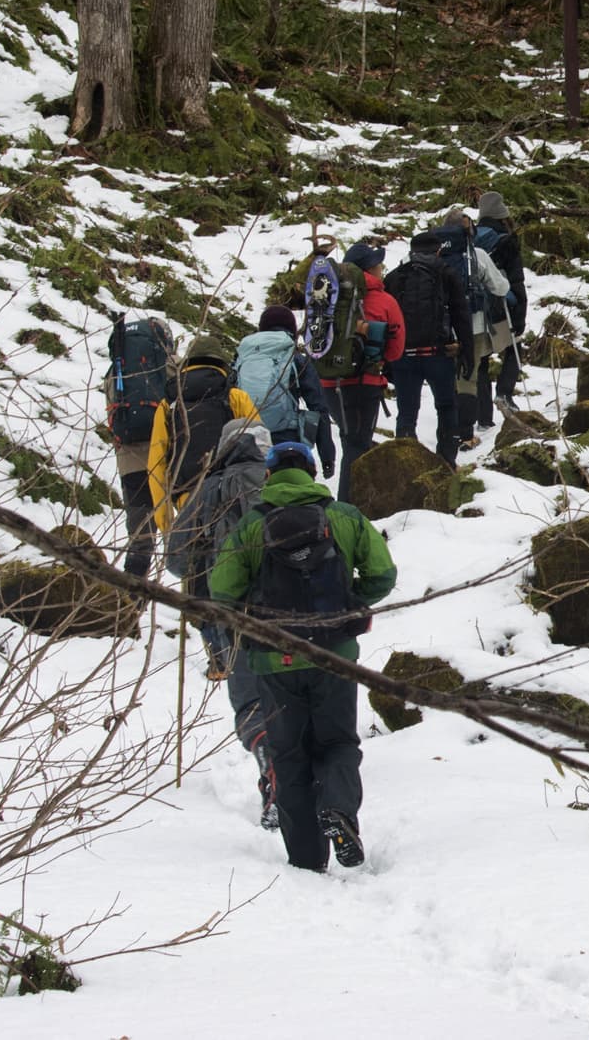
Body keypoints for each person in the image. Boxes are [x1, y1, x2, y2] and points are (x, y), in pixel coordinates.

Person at [208, 440, 397, 873]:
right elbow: (383, 575)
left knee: (289, 754)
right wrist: (351, 604)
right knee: (337, 743)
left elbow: (223, 591)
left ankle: (307, 859)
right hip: (335, 654)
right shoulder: (343, 517)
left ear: (270, 475)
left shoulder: (252, 525)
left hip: (275, 660)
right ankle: (339, 809)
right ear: (312, 472)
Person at [167, 421, 277, 829]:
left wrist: (203, 567)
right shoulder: (283, 479)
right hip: (292, 607)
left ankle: (270, 763)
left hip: (235, 607)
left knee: (250, 697)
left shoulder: (214, 486)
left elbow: (176, 555)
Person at [148, 335, 261, 535]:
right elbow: (261, 450)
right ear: (221, 363)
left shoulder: (168, 404)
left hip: (187, 506)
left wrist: (166, 522)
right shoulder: (235, 397)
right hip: (232, 500)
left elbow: (156, 464)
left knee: (198, 563)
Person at [323, 241, 405, 507]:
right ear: (372, 269)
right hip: (364, 381)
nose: (382, 267)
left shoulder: (328, 295)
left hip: (328, 380)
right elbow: (395, 350)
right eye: (378, 263)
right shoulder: (384, 300)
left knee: (351, 440)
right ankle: (347, 508)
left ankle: (357, 501)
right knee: (356, 445)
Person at [384, 229, 472, 465]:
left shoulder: (394, 276)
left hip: (404, 355)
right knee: (446, 406)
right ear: (438, 250)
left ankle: (405, 463)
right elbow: (461, 315)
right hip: (438, 354)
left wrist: (387, 359)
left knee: (407, 411)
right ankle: (446, 462)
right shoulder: (446, 273)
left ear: (411, 251)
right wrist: (466, 351)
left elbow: (386, 320)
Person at [102, 315, 176, 578]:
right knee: (188, 529)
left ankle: (132, 597)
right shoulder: (165, 365)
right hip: (167, 457)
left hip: (130, 459)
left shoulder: (116, 370)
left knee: (140, 535)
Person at [434, 212, 511, 450]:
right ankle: (465, 434)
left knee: (445, 379)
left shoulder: (430, 255)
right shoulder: (476, 255)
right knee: (468, 377)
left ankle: (445, 430)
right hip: (473, 326)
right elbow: (500, 287)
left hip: (438, 326)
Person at [232, 305, 337, 478]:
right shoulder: (295, 358)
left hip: (247, 437)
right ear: (292, 331)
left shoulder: (243, 356)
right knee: (288, 490)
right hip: (285, 439)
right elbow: (318, 407)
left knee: (253, 495)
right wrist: (327, 456)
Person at [473, 191, 527, 419]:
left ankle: (484, 415)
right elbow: (516, 281)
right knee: (514, 348)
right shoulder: (505, 241)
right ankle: (504, 393)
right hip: (502, 303)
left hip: (476, 307)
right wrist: (520, 315)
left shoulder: (469, 239)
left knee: (482, 358)